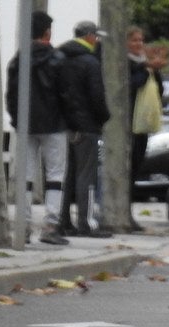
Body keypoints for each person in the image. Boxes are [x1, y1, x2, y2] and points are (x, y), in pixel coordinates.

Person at [6, 11, 70, 245]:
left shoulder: (18, 60)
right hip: (54, 124)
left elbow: (11, 95)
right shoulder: (57, 60)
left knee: (26, 175)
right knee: (55, 175)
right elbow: (66, 94)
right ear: (47, 33)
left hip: (26, 125)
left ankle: (23, 225)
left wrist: (16, 119)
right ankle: (50, 225)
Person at [58, 21, 111, 238]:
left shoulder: (59, 58)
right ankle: (85, 223)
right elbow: (96, 96)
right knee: (86, 176)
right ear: (89, 36)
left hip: (63, 125)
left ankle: (62, 220)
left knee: (66, 176)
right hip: (86, 125)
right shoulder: (90, 62)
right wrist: (103, 117)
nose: (97, 41)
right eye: (96, 37)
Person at [128, 25, 167, 231]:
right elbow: (132, 85)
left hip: (142, 124)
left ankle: (129, 210)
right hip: (128, 122)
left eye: (141, 40)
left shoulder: (145, 64)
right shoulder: (128, 63)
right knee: (128, 168)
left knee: (136, 167)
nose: (139, 44)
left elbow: (158, 89)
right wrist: (147, 68)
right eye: (134, 40)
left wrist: (153, 70)